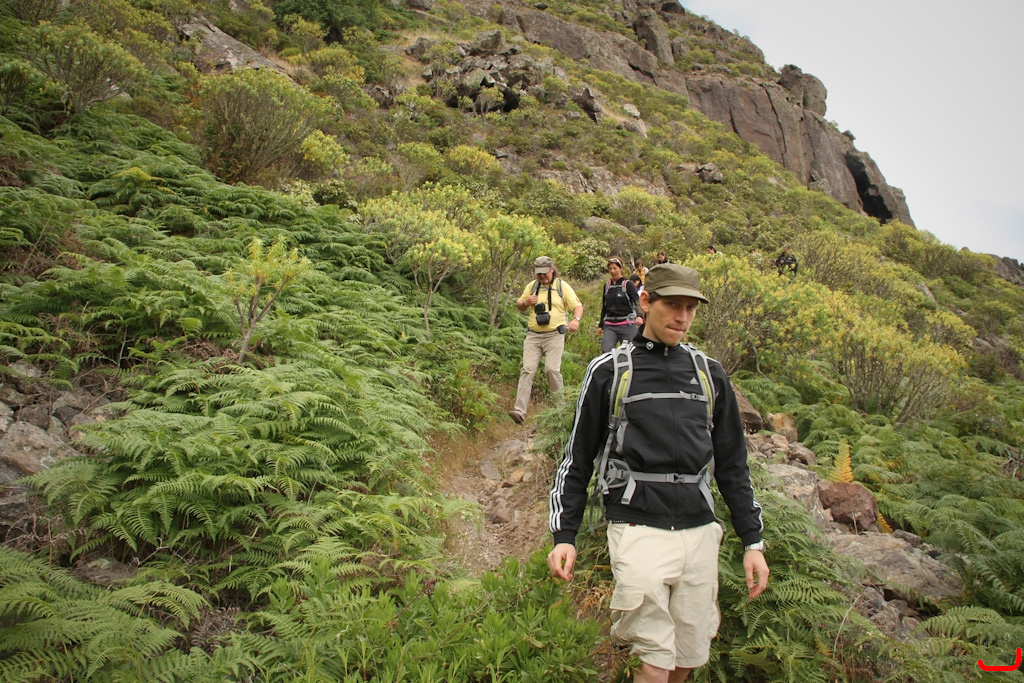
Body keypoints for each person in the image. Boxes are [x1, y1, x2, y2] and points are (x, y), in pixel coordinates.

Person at [547, 263, 768, 683]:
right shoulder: (609, 370)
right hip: (637, 528)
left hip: (700, 531)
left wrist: (752, 540)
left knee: (688, 655)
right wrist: (565, 535)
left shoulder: (709, 373)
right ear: (646, 302)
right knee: (652, 663)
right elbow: (577, 459)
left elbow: (733, 465)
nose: (682, 317)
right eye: (673, 305)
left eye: (691, 308)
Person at [508, 256, 583, 424]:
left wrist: (576, 320)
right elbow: (520, 305)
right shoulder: (532, 286)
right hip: (533, 336)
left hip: (554, 335)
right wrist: (526, 302)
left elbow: (577, 306)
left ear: (552, 270)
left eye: (544, 273)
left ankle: (560, 411)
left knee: (551, 370)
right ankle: (519, 412)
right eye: (539, 274)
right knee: (527, 369)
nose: (542, 276)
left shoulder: (562, 286)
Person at [598, 257, 643, 353]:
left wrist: (640, 316)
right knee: (606, 351)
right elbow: (604, 306)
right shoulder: (607, 286)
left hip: (626, 324)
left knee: (630, 352)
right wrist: (601, 325)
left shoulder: (628, 284)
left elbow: (637, 301)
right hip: (610, 325)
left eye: (615, 268)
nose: (612, 271)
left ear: (620, 269)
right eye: (610, 269)